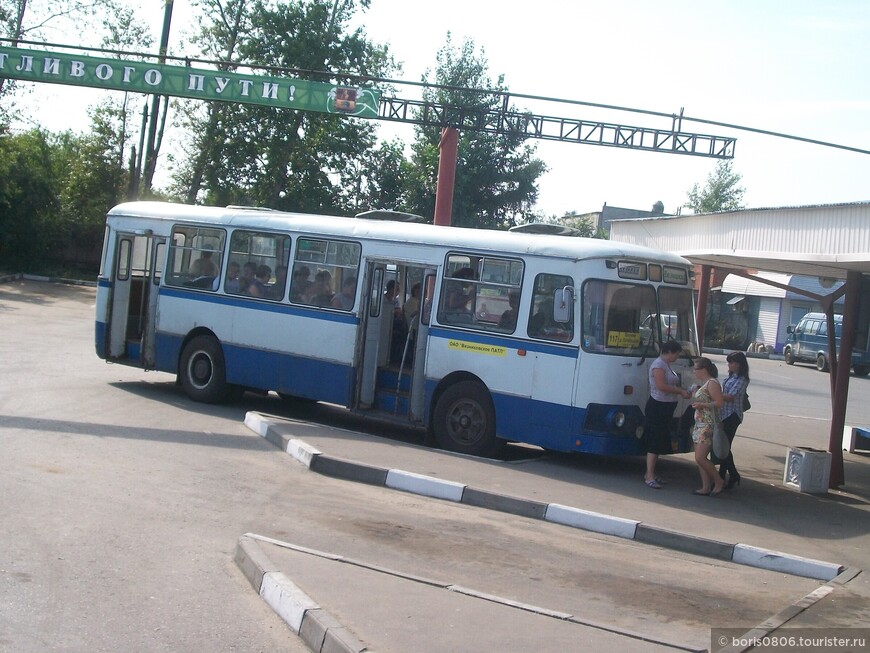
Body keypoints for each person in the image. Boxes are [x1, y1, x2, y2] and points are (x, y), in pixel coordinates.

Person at [642, 340, 691, 489]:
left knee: (660, 439)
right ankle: (649, 476)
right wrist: (680, 391)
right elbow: (661, 386)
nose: (677, 357)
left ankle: (650, 473)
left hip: (667, 407)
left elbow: (671, 384)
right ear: (669, 352)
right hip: (658, 406)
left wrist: (683, 390)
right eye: (676, 354)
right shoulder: (658, 365)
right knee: (655, 441)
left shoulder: (666, 365)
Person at [690, 357, 726, 497]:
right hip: (700, 422)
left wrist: (703, 405)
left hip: (708, 424)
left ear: (703, 369)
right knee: (698, 458)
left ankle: (718, 480)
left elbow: (719, 403)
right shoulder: (704, 383)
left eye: (696, 369)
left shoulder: (712, 383)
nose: (694, 372)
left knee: (700, 457)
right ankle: (705, 486)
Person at [718, 351, 750, 489]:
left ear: (739, 364)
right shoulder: (731, 377)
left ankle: (722, 475)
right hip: (724, 414)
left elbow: (731, 396)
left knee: (725, 446)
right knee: (724, 446)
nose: (729, 365)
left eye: (731, 362)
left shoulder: (742, 379)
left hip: (733, 415)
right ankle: (732, 474)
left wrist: (715, 394)